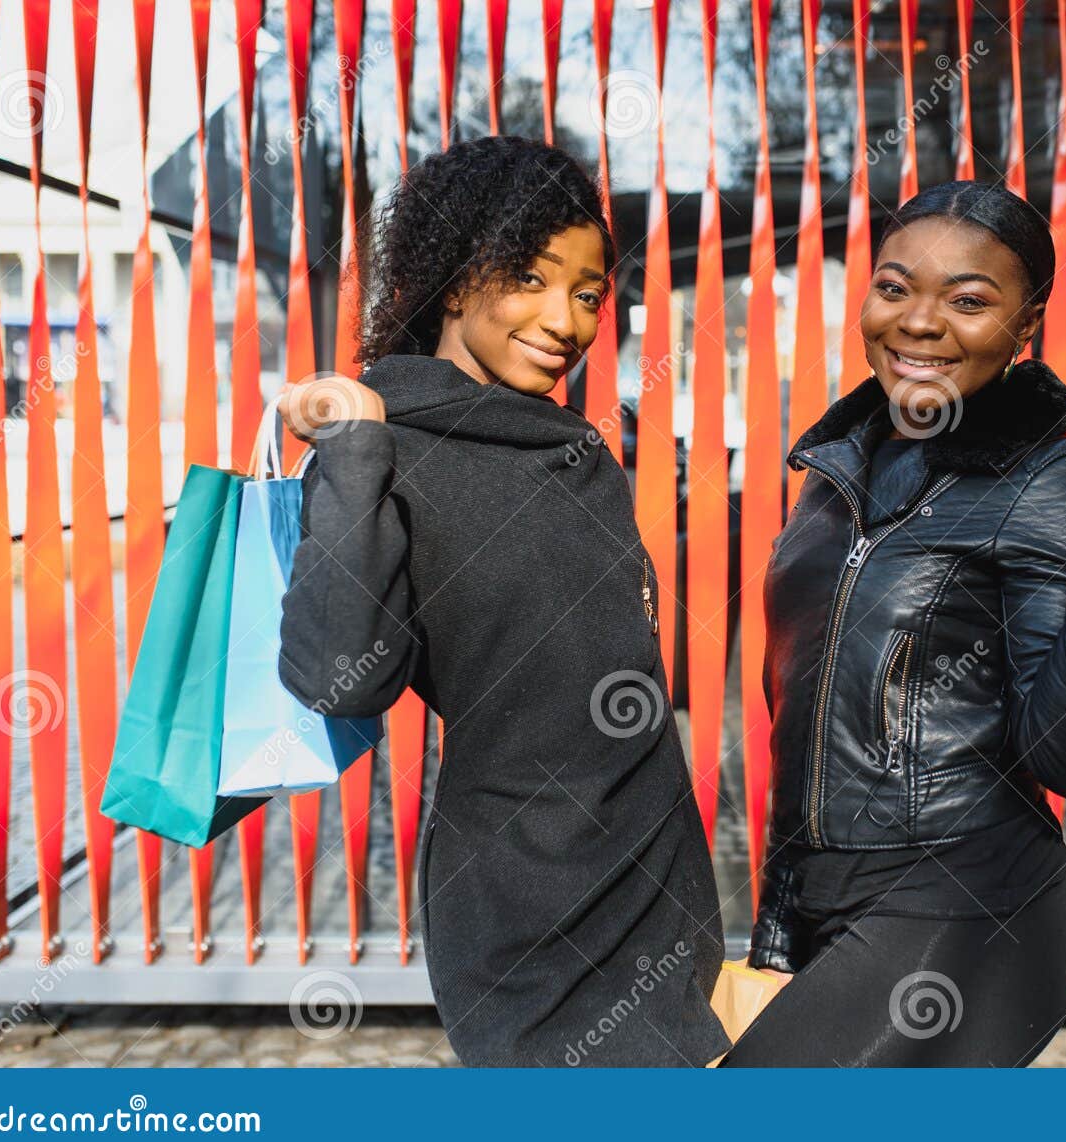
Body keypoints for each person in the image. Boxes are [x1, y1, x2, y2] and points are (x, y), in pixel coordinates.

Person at [721, 180, 1066, 1066]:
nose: (918, 322)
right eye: (893, 287)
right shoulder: (835, 472)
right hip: (821, 896)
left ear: (1024, 327)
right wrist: (778, 919)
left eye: (967, 301)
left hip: (965, 902)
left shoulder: (1048, 482)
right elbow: (803, 714)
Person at [273, 136, 729, 1067]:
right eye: (529, 277)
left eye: (589, 292)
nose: (564, 320)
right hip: (525, 902)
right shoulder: (384, 447)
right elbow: (336, 680)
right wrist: (352, 454)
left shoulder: (576, 451)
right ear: (451, 281)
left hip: (657, 882)